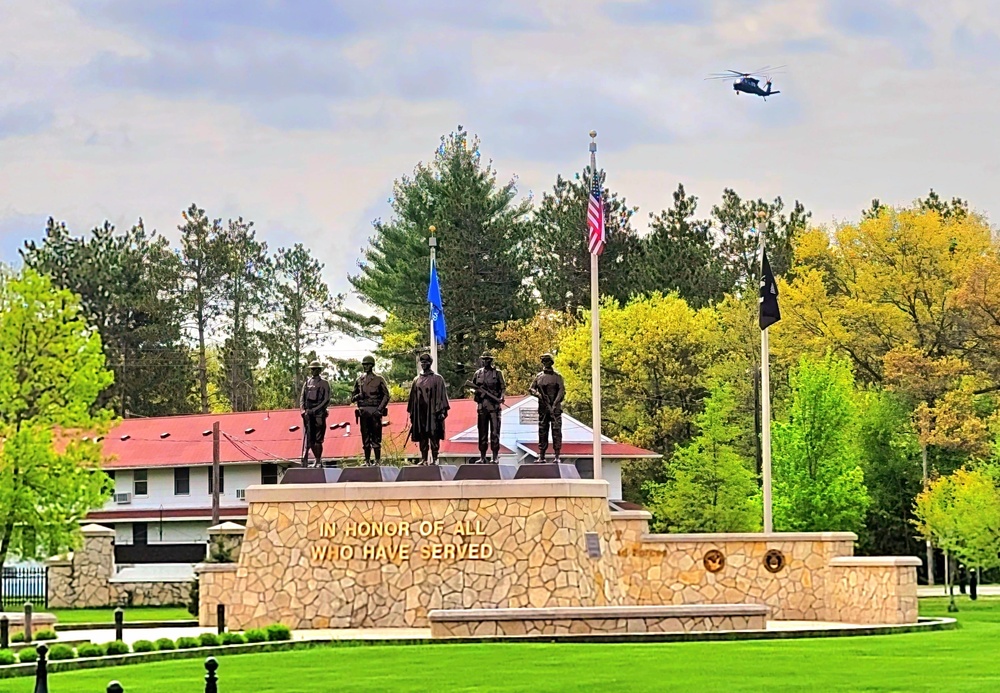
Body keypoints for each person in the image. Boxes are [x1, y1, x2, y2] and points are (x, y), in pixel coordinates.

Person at [407, 353, 449, 465]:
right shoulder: (416, 380)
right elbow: (412, 399)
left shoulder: (437, 379)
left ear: (430, 363)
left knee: (434, 436)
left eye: (426, 362)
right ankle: (424, 459)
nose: (424, 364)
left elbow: (442, 396)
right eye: (422, 362)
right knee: (422, 436)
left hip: (433, 413)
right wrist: (412, 414)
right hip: (420, 413)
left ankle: (435, 458)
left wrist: (441, 411)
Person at [351, 355, 390, 466]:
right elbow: (352, 397)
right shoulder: (359, 380)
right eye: (364, 365)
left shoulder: (379, 379)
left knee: (376, 437)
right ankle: (367, 460)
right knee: (365, 437)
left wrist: (379, 409)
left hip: (375, 411)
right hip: (363, 412)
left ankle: (377, 460)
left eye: (367, 364)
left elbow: (386, 396)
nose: (365, 367)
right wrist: (358, 396)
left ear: (372, 365)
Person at [528, 353, 565, 463]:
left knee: (556, 431)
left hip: (555, 408)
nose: (545, 363)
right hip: (543, 408)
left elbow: (561, 391)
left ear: (551, 362)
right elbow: (531, 389)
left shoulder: (557, 377)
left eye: (547, 361)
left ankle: (557, 455)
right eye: (543, 361)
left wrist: (555, 404)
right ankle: (542, 455)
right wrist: (537, 394)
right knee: (542, 431)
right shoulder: (539, 376)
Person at [471, 352, 506, 463]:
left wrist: (501, 397)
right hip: (482, 406)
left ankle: (495, 456)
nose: (486, 361)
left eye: (488, 359)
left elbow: (503, 388)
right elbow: (472, 387)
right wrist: (477, 393)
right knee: (482, 433)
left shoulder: (498, 373)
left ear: (491, 361)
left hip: (494, 407)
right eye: (484, 359)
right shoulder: (478, 373)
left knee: (495, 432)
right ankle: (482, 456)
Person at [299, 361, 330, 467]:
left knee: (318, 439)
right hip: (308, 414)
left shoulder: (324, 383)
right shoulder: (307, 383)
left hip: (319, 414)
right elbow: (302, 399)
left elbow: (326, 399)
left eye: (315, 369)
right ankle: (311, 459)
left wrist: (316, 409)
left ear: (319, 370)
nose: (313, 371)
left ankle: (318, 460)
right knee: (310, 439)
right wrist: (303, 411)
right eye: (312, 369)